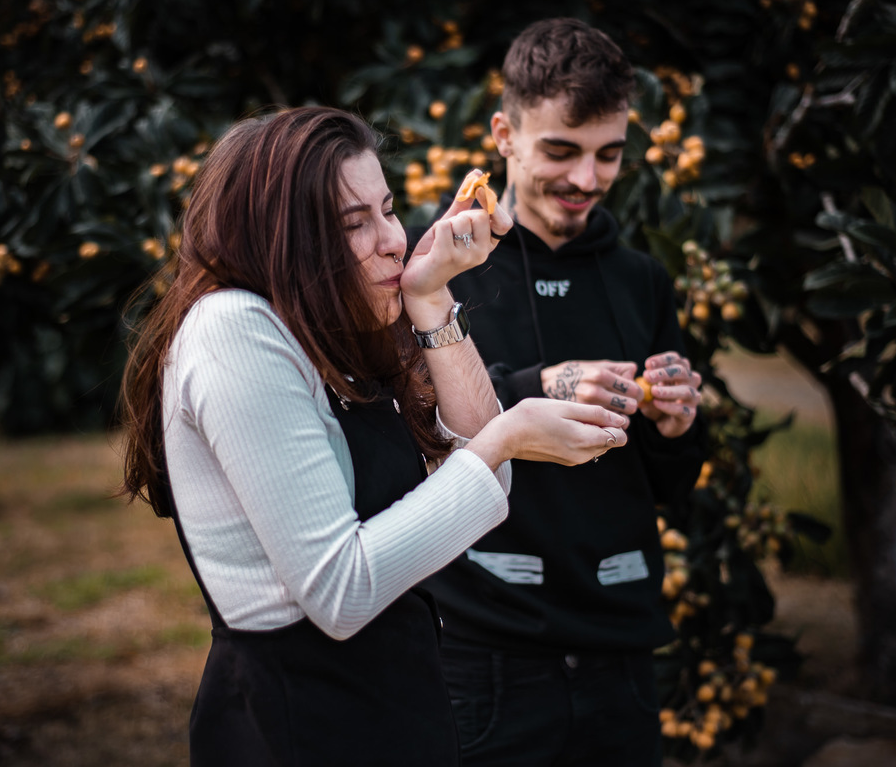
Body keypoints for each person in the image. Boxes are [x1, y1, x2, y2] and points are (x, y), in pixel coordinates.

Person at [116, 106, 630, 767]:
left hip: (389, 704)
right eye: (355, 223)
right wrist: (504, 439)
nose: (394, 238)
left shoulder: (329, 330)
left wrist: (431, 295)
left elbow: (474, 475)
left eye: (387, 209)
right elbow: (339, 590)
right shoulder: (233, 332)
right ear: (282, 239)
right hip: (300, 722)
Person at [414, 18, 707, 766]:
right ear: (505, 134)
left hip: (622, 654)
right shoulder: (440, 269)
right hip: (485, 657)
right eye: (561, 151)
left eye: (609, 154)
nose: (587, 179)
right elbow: (408, 434)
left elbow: (672, 486)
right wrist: (534, 387)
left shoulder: (642, 279)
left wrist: (677, 426)